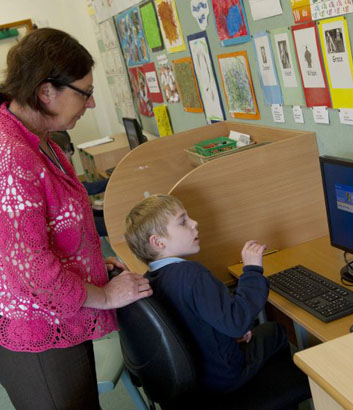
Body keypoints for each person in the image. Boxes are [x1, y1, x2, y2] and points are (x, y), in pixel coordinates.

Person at [0, 28, 152, 410]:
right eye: (84, 92)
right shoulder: (12, 156)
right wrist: (104, 295)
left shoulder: (39, 139)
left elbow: (43, 232)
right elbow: (30, 267)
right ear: (46, 91)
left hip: (60, 315)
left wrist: (91, 265)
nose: (91, 103)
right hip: (38, 328)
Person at [125, 194, 290, 393]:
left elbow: (194, 322)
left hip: (194, 378)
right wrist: (252, 270)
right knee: (276, 331)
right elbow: (238, 322)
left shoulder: (151, 279)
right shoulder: (192, 275)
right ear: (158, 242)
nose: (194, 223)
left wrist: (227, 333)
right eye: (183, 221)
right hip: (223, 376)